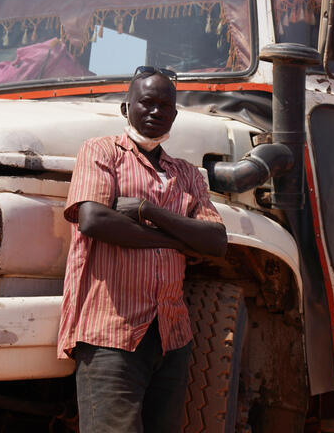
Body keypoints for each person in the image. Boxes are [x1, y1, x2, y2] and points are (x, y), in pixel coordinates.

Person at [57, 67, 229, 433]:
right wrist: (179, 241)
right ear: (126, 108)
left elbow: (216, 241)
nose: (156, 111)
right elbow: (93, 220)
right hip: (111, 334)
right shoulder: (100, 151)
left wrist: (146, 210)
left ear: (175, 114)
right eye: (146, 102)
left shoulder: (187, 174)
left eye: (165, 105)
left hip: (171, 337)